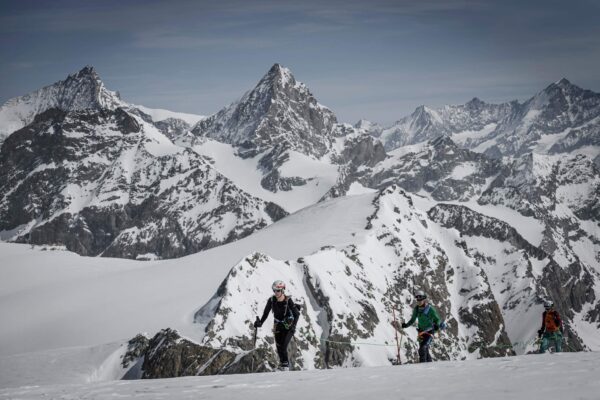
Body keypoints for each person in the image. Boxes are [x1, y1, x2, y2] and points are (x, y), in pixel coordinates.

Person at [254, 280, 300, 371]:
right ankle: (283, 365)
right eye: (274, 290)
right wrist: (260, 323)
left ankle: (285, 366)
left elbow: (296, 314)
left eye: (278, 290)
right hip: (278, 326)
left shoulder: (288, 301)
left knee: (283, 346)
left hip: (288, 326)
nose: (276, 292)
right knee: (279, 347)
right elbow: (266, 313)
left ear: (283, 290)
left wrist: (294, 326)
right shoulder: (271, 300)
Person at [392, 290, 441, 362]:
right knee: (425, 349)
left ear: (424, 299)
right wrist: (406, 325)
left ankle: (423, 367)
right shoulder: (417, 309)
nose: (419, 301)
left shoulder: (430, 309)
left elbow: (437, 319)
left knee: (423, 348)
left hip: (430, 331)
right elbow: (413, 319)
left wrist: (437, 325)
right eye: (417, 299)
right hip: (421, 332)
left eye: (420, 299)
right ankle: (430, 366)